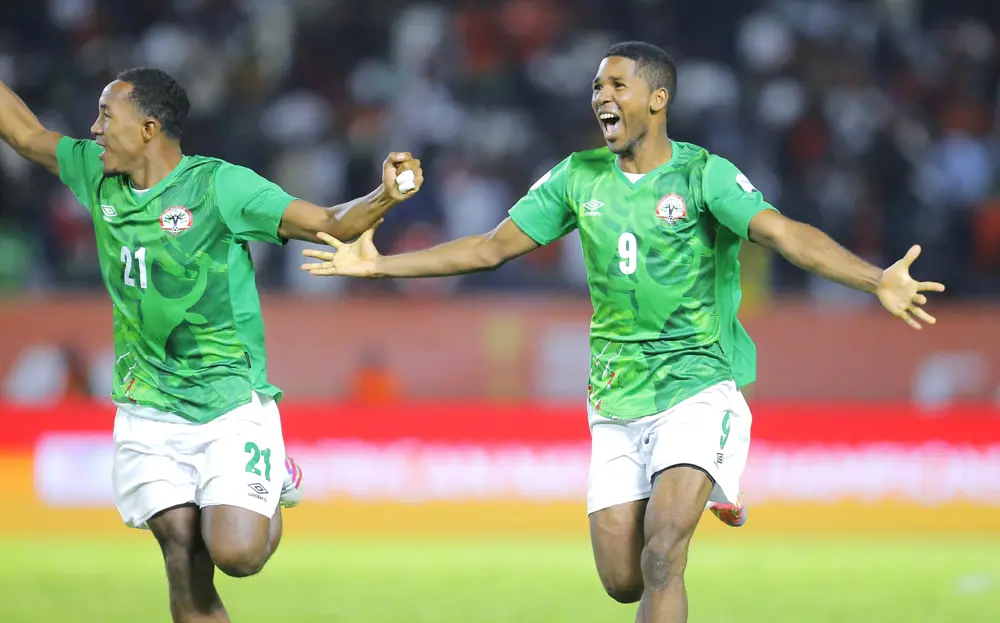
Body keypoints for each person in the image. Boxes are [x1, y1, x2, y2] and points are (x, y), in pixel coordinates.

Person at [299, 42, 945, 622]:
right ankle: (714, 485)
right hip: (614, 396)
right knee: (621, 578)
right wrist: (380, 264)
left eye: (616, 86)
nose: (601, 98)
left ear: (657, 99)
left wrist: (873, 278)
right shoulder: (578, 177)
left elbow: (785, 234)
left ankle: (706, 475)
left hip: (697, 383)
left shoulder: (703, 175)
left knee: (665, 551)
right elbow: (492, 248)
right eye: (596, 89)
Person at [0, 68, 423, 622]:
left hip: (228, 400)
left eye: (107, 115)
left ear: (149, 128)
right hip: (146, 403)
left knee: (238, 553)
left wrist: (383, 196)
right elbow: (27, 135)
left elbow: (327, 222)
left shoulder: (220, 186)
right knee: (182, 552)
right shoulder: (95, 173)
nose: (93, 128)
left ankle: (273, 475)